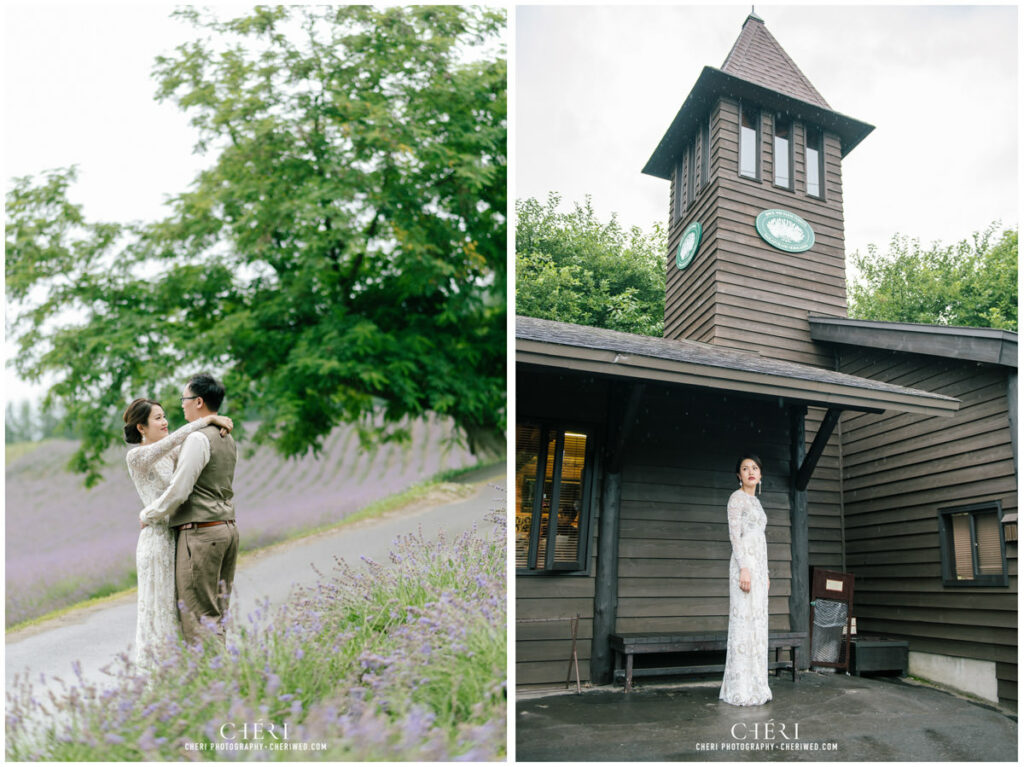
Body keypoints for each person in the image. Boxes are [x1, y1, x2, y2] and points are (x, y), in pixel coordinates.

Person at [123, 398, 233, 668]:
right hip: (156, 540)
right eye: (158, 418)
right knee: (161, 608)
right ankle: (164, 674)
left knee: (181, 608)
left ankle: (189, 670)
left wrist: (212, 432)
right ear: (141, 427)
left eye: (164, 416)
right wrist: (206, 419)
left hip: (178, 535)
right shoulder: (137, 457)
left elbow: (192, 448)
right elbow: (174, 441)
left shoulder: (169, 452)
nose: (165, 422)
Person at [719, 453, 772, 706]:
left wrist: (766, 572)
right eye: (744, 468)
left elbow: (761, 540)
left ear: (760, 475)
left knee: (758, 625)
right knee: (743, 623)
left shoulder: (758, 504)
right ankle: (739, 687)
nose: (750, 471)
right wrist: (745, 569)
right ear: (739, 476)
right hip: (744, 566)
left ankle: (757, 684)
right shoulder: (736, 498)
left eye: (754, 468)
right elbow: (735, 536)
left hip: (759, 570)